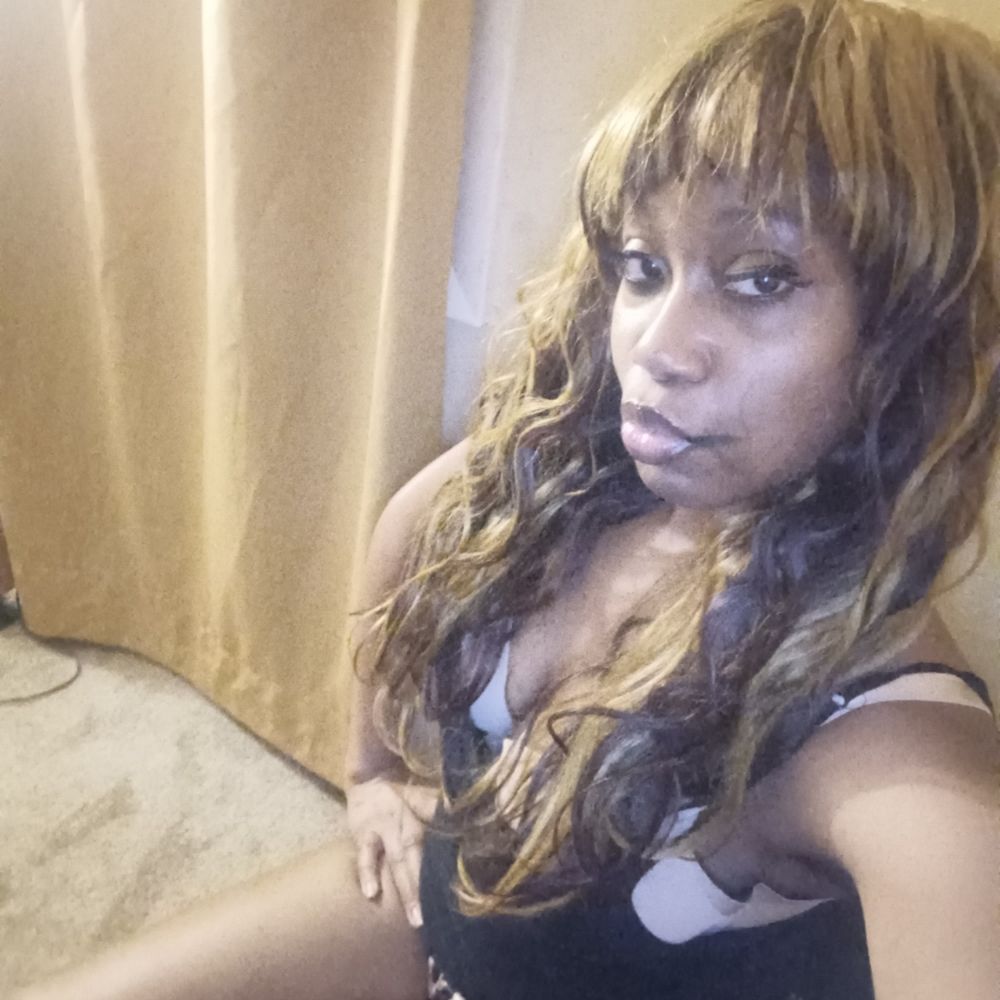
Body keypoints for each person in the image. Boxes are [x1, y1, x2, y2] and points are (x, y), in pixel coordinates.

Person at [19, 0, 1000, 997]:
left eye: (760, 279)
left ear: (919, 337)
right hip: (435, 926)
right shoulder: (584, 474)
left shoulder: (890, 745)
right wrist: (370, 772)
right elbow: (408, 532)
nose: (657, 348)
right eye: (644, 267)